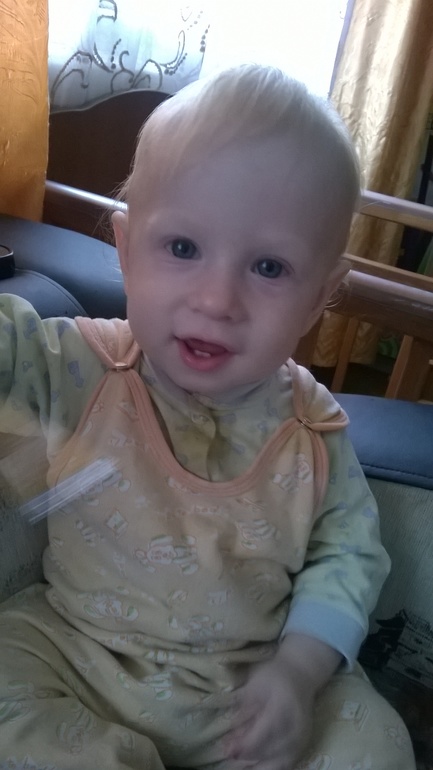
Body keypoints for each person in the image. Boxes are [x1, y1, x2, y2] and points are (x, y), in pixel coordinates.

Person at [0, 64, 415, 770]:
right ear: (126, 251)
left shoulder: (312, 430)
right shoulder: (82, 364)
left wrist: (299, 671)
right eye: (183, 248)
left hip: (249, 688)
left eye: (269, 268)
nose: (217, 300)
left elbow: (346, 557)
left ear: (320, 296)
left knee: (373, 740)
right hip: (75, 652)